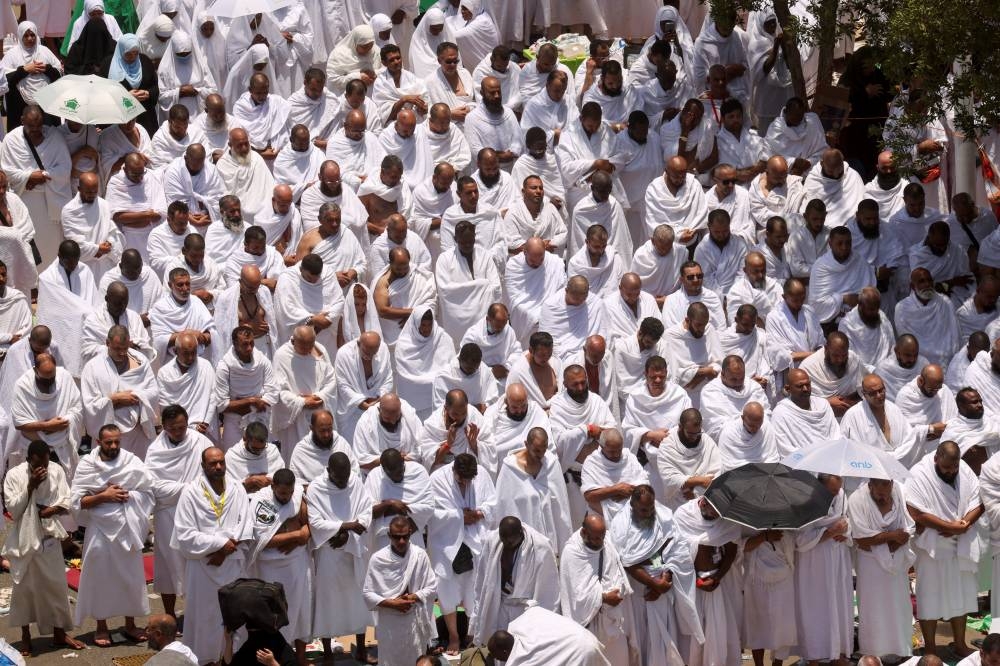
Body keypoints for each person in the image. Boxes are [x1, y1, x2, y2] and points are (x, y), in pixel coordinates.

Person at [70, 424, 152, 646]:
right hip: (99, 529)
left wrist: (128, 495)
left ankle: (130, 624)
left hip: (127, 526)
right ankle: (101, 627)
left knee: (130, 576)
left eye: (117, 441)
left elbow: (147, 491)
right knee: (100, 577)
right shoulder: (87, 464)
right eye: (109, 442)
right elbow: (77, 502)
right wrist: (104, 496)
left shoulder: (131, 461)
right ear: (98, 443)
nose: (114, 446)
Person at [3, 440, 85, 656]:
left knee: (56, 587)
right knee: (24, 590)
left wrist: (53, 509)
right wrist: (30, 486)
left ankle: (59, 633)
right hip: (24, 537)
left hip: (49, 537)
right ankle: (25, 637)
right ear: (29, 459)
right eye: (38, 464)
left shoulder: (56, 470)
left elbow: (66, 500)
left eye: (46, 463)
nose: (43, 468)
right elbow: (13, 509)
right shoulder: (14, 475)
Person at [171, 447, 253, 663]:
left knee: (234, 616)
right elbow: (185, 534)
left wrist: (226, 551)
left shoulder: (236, 488)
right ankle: (203, 659)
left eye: (221, 462)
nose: (218, 467)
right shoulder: (190, 493)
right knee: (204, 617)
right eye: (212, 463)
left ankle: (233, 657)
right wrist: (219, 545)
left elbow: (245, 525)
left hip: (232, 564)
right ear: (203, 466)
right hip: (203, 566)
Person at [906, 441, 984, 658]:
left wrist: (964, 525)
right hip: (932, 548)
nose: (951, 472)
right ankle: (930, 648)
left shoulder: (964, 470)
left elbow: (979, 501)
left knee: (963, 595)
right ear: (936, 459)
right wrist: (949, 527)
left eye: (954, 468)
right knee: (929, 598)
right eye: (946, 468)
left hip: (961, 543)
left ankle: (959, 644)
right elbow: (916, 512)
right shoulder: (919, 474)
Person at [304, 451, 373, 660]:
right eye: (338, 478)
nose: (343, 482)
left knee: (357, 598)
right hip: (329, 553)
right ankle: (327, 654)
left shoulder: (354, 482)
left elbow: (366, 511)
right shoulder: (316, 488)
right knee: (328, 602)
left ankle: (361, 648)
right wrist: (346, 526)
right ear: (328, 471)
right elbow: (315, 523)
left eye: (345, 477)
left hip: (353, 550)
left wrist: (347, 535)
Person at [427, 453, 496, 655]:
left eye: (469, 479)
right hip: (446, 545)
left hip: (476, 542)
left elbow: (493, 503)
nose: (465, 482)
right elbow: (432, 513)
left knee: (474, 591)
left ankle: (471, 635)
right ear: (454, 470)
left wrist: (479, 513)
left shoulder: (481, 474)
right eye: (462, 478)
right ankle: (454, 637)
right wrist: (459, 517)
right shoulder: (437, 479)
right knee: (447, 592)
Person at [246, 469, 311, 664]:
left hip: (297, 562)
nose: (287, 497)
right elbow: (261, 539)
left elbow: (310, 524)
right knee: (273, 613)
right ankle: (277, 657)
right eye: (282, 493)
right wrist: (296, 536)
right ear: (273, 487)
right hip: (271, 566)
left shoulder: (298, 495)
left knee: (301, 609)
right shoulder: (260, 502)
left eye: (289, 493)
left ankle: (299, 656)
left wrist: (301, 537)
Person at [848, 477, 915, 660]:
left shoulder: (900, 492)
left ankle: (901, 651)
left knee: (899, 606)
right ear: (870, 485)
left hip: (897, 562)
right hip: (870, 564)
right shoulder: (856, 499)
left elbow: (909, 527)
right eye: (878, 491)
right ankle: (873, 655)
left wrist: (895, 542)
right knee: (873, 608)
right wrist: (892, 536)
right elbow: (861, 538)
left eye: (886, 489)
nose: (882, 494)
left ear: (892, 485)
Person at [672, 496, 744, 666]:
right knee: (691, 636)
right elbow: (676, 550)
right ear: (703, 503)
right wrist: (697, 577)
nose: (716, 517)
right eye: (713, 513)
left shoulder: (728, 517)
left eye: (719, 514)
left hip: (717, 584)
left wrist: (717, 577)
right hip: (689, 585)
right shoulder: (683, 514)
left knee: (717, 632)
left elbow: (732, 549)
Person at [559, 513, 638, 664]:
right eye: (595, 538)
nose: (600, 541)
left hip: (613, 619)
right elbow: (576, 594)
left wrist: (615, 593)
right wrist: (603, 598)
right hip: (590, 624)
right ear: (583, 533)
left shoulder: (607, 541)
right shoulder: (572, 552)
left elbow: (617, 573)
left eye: (602, 536)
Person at [0, 105, 73, 264]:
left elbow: (65, 168)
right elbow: (6, 171)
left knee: (51, 247)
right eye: (31, 126)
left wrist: (43, 176)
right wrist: (29, 177)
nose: (36, 130)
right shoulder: (11, 140)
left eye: (39, 126)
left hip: (50, 204)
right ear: (21, 121)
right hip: (24, 200)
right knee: (28, 244)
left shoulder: (54, 137)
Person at [471, 516, 560, 644]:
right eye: (503, 539)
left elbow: (549, 589)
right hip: (499, 603)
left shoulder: (541, 546)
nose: (506, 544)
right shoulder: (494, 540)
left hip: (524, 609)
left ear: (520, 534)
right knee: (499, 649)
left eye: (510, 542)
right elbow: (482, 580)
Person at [793, 473, 852, 666]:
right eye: (832, 490)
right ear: (820, 486)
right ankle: (814, 657)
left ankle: (838, 654)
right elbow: (799, 540)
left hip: (838, 560)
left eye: (838, 489)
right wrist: (829, 532)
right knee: (815, 610)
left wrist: (845, 531)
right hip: (814, 565)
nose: (836, 494)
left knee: (839, 605)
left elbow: (848, 521)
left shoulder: (841, 495)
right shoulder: (805, 501)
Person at [363, 515, 438, 665]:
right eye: (397, 537)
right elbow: (368, 594)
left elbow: (432, 587)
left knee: (416, 659)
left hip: (414, 621)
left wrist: (414, 597)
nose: (401, 541)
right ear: (389, 535)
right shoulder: (378, 559)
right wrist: (393, 604)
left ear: (410, 533)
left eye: (405, 537)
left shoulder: (419, 555)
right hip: (389, 621)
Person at [80, 325, 159, 459]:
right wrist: (114, 400)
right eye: (117, 349)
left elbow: (153, 391)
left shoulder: (141, 361)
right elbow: (89, 405)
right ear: (107, 343)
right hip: (109, 438)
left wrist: (135, 396)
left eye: (125, 348)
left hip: (138, 433)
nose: (122, 353)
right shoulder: (92, 367)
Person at [493, 427, 572, 550]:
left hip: (548, 538)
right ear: (526, 444)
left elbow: (561, 506)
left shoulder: (551, 464)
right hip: (522, 539)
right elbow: (503, 505)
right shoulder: (510, 467)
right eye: (536, 450)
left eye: (543, 450)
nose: (540, 455)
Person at [10, 352, 83, 478]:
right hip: (35, 453)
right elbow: (19, 423)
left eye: (52, 377)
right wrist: (46, 426)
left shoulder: (64, 376)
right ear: (35, 370)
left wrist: (64, 421)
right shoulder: (22, 385)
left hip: (63, 447)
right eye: (45, 379)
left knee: (64, 490)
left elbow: (77, 407)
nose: (49, 381)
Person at [435, 220, 502, 346]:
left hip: (483, 315)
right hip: (457, 320)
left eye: (471, 241)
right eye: (463, 242)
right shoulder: (444, 259)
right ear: (455, 239)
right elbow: (445, 290)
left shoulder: (484, 255)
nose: (467, 245)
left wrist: (478, 291)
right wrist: (482, 285)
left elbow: (495, 286)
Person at [213, 326, 279, 450]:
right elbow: (221, 404)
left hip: (259, 419)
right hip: (234, 423)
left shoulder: (263, 361)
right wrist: (252, 401)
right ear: (235, 344)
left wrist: (243, 405)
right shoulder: (224, 366)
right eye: (244, 344)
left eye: (251, 343)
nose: (249, 348)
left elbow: (274, 392)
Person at [364, 447, 433, 552]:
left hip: (412, 535)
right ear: (383, 469)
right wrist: (390, 504)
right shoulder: (374, 476)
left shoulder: (418, 471)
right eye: (392, 475)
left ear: (403, 460)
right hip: (384, 539)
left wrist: (404, 533)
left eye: (400, 472)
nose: (397, 477)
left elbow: (428, 507)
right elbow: (369, 512)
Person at [61, 170, 123, 284]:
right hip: (84, 267)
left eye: (95, 191)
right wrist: (97, 249)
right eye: (89, 192)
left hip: (105, 264)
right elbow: (74, 244)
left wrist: (109, 243)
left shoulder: (103, 204)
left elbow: (112, 230)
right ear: (79, 189)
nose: (93, 195)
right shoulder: (69, 211)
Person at [766, 368, 841, 457]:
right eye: (800, 386)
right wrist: (812, 458)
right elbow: (785, 448)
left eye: (807, 384)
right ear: (788, 389)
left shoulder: (822, 404)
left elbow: (835, 433)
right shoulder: (780, 413)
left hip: (830, 457)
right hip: (801, 465)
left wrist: (828, 455)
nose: (805, 389)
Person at [808, 225, 875, 324]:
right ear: (830, 244)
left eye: (848, 243)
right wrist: (843, 299)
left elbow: (869, 293)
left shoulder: (859, 260)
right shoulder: (820, 267)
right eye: (839, 244)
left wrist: (858, 301)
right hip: (830, 324)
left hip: (859, 318)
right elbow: (817, 305)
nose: (844, 247)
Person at [333, 331, 393, 441]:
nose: (369, 357)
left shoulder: (383, 349)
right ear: (358, 344)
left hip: (377, 406)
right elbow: (342, 384)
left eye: (373, 354)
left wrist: (380, 397)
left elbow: (388, 379)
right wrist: (359, 402)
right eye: (366, 352)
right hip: (352, 410)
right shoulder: (343, 354)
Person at [80, 280, 155, 366]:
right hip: (104, 369)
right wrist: (115, 348)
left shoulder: (134, 317)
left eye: (125, 303)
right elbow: (87, 352)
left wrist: (132, 345)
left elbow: (145, 346)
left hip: (132, 370)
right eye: (117, 303)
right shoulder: (93, 320)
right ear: (107, 299)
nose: (122, 307)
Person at [101, 34, 159, 134]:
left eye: (135, 53)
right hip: (120, 119)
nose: (132, 57)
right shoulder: (108, 65)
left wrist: (148, 93)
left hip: (145, 117)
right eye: (128, 54)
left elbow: (155, 87)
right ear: (121, 51)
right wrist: (126, 96)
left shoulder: (145, 61)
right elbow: (103, 93)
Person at [660, 260, 726, 331]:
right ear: (681, 280)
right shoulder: (671, 300)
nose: (696, 280)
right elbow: (670, 331)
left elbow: (721, 328)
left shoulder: (712, 297)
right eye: (690, 277)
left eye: (699, 276)